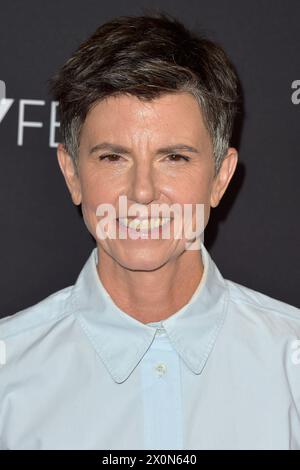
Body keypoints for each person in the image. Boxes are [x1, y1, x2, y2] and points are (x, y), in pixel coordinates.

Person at [0, 12, 299, 450]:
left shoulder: (291, 363)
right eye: (112, 157)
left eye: (174, 158)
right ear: (71, 174)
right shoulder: (8, 369)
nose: (142, 192)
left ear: (220, 177)